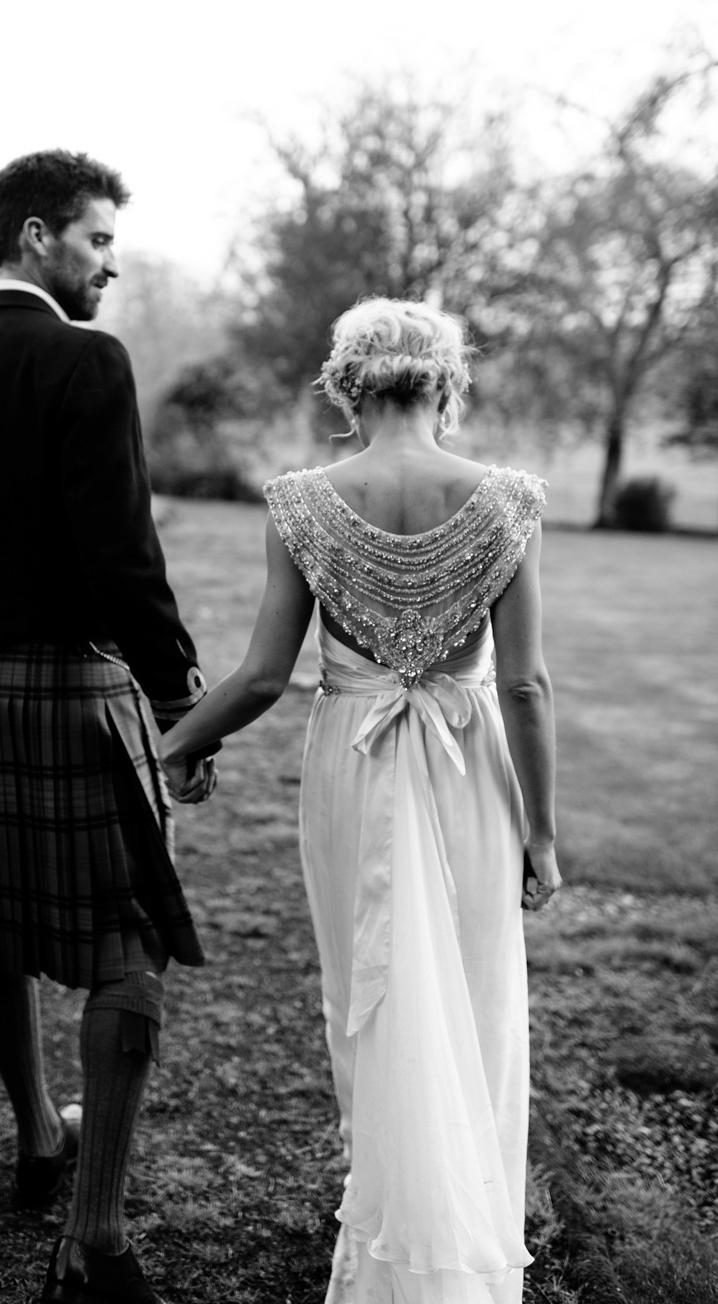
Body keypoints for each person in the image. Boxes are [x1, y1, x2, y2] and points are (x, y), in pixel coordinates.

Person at [0, 149, 216, 1304]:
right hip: (73, 689)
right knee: (130, 944)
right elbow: (122, 551)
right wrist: (176, 696)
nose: (110, 263)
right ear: (33, 238)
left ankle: (34, 1133)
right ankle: (98, 1233)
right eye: (98, 239)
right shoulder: (85, 360)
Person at [159, 297, 562, 1304]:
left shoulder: (302, 500)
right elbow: (524, 686)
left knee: (371, 987)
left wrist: (176, 746)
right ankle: (457, 1221)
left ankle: (396, 1219)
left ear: (346, 385)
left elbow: (258, 677)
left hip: (355, 755)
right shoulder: (506, 498)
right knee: (473, 985)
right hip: (471, 765)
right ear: (447, 383)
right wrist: (544, 835)